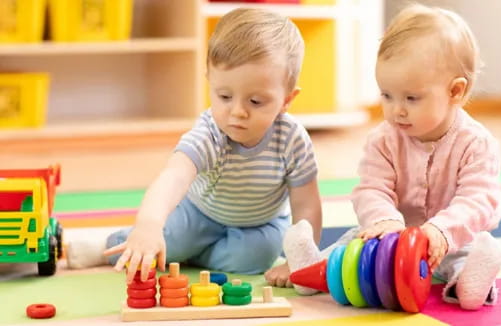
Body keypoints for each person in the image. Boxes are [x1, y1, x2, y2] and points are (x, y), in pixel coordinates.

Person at [65, 7, 322, 286]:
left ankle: (192, 254)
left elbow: (306, 204)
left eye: (256, 102)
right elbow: (173, 178)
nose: (237, 112)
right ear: (210, 82)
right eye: (224, 96)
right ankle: (108, 245)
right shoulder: (210, 132)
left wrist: (300, 262)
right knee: (160, 243)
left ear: (286, 99)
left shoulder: (292, 139)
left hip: (260, 224)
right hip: (199, 213)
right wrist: (149, 226)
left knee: (257, 259)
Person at [283, 4, 501, 310]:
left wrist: (440, 231)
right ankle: (312, 267)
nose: (396, 109)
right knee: (352, 247)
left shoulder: (476, 143)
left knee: (469, 254)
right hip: (391, 239)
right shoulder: (384, 138)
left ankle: (470, 284)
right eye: (386, 95)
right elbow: (371, 188)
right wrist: (384, 220)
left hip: (453, 241)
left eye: (411, 98)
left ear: (454, 91)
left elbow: (478, 200)